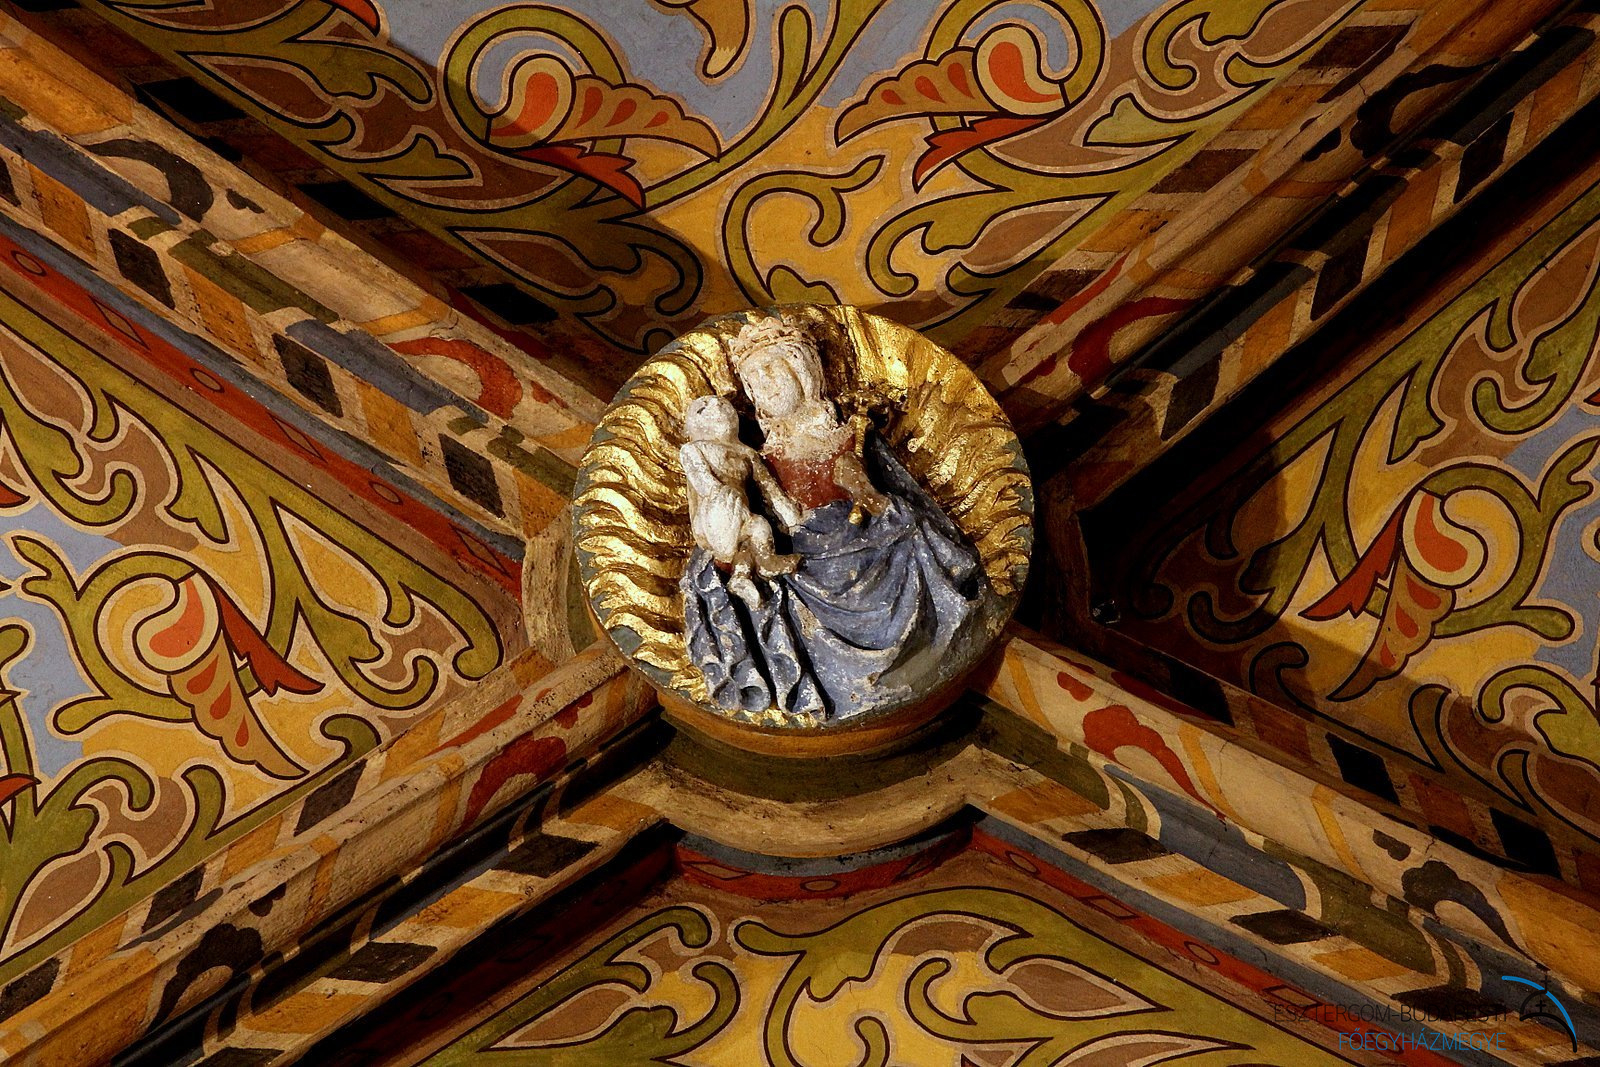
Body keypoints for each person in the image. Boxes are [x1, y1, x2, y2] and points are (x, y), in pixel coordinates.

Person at [678, 395, 800, 606]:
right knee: (731, 504)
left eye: (722, 404)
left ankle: (747, 573)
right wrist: (726, 499)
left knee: (758, 527)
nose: (716, 406)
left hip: (743, 514)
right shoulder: (693, 449)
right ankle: (751, 564)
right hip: (713, 513)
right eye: (703, 408)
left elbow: (768, 488)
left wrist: (791, 515)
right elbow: (703, 481)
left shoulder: (746, 452)